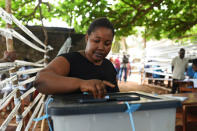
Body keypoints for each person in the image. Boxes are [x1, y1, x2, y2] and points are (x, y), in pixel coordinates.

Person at [34, 18, 119, 98]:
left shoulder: (109, 66)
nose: (101, 47)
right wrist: (81, 84)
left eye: (107, 43)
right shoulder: (69, 60)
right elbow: (40, 81)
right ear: (87, 38)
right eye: (96, 41)